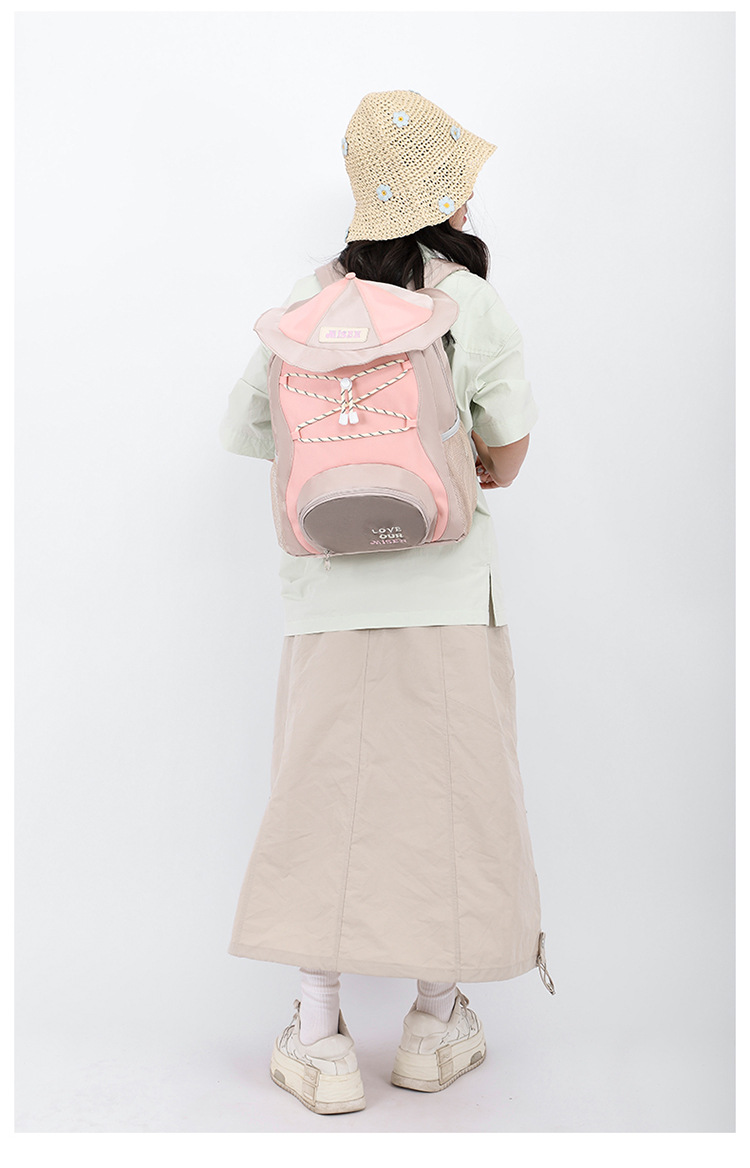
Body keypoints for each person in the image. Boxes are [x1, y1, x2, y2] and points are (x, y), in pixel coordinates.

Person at [219, 89, 555, 1116]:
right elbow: (508, 453)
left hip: (325, 597)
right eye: (462, 179)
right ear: (441, 196)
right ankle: (433, 1025)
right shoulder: (467, 301)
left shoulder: (308, 299)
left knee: (321, 798)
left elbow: (252, 431)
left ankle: (317, 1034)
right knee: (450, 796)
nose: (470, 194)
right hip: (448, 591)